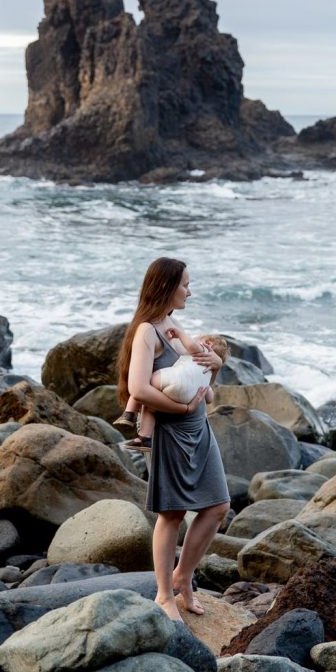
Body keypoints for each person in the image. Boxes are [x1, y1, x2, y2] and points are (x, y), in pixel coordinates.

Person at [117, 257, 231, 621]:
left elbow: (197, 366)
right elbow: (137, 387)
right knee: (172, 513)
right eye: (185, 284)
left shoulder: (172, 324)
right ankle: (165, 594)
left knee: (217, 507)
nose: (189, 290)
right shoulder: (146, 332)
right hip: (171, 430)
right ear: (166, 287)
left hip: (199, 428)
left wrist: (215, 364)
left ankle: (183, 575)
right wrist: (181, 411)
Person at [123, 333, 230, 451]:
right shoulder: (207, 376)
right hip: (186, 398)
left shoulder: (204, 350)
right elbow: (209, 398)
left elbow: (189, 345)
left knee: (146, 386)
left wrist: (179, 333)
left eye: (197, 338)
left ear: (209, 344)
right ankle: (145, 440)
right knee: (151, 408)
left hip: (174, 380)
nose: (194, 339)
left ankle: (129, 414)